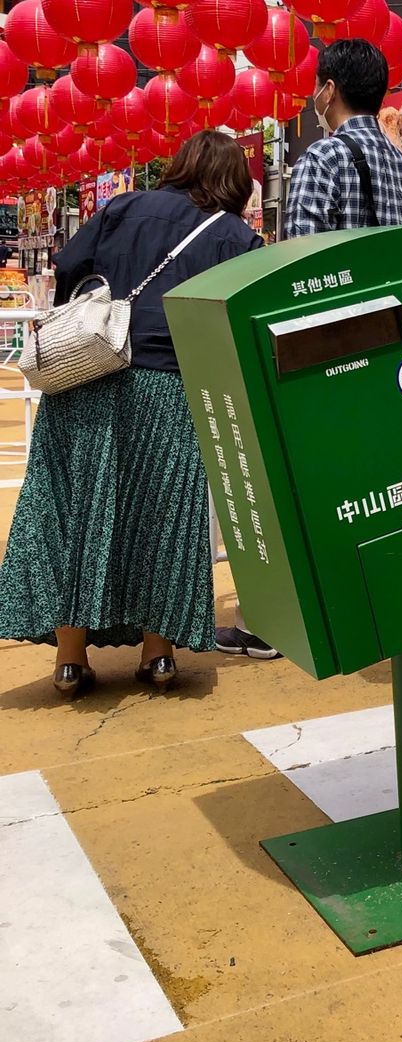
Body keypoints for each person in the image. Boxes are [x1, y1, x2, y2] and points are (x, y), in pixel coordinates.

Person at [0, 132, 262, 696]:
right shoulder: (235, 236)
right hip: (170, 384)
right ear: (235, 183)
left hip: (86, 374)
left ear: (182, 165)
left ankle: (70, 660)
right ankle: (158, 655)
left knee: (71, 508)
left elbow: (69, 263)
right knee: (161, 516)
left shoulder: (123, 206)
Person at [219, 37, 402, 661]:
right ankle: (380, 599)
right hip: (391, 353)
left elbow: (295, 272)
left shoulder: (322, 159)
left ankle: (283, 620)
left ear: (328, 89)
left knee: (306, 487)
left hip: (331, 356)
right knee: (379, 482)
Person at [284, 37, 402, 239]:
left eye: (316, 86)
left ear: (329, 90)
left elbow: (301, 254)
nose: (314, 94)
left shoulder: (321, 158)